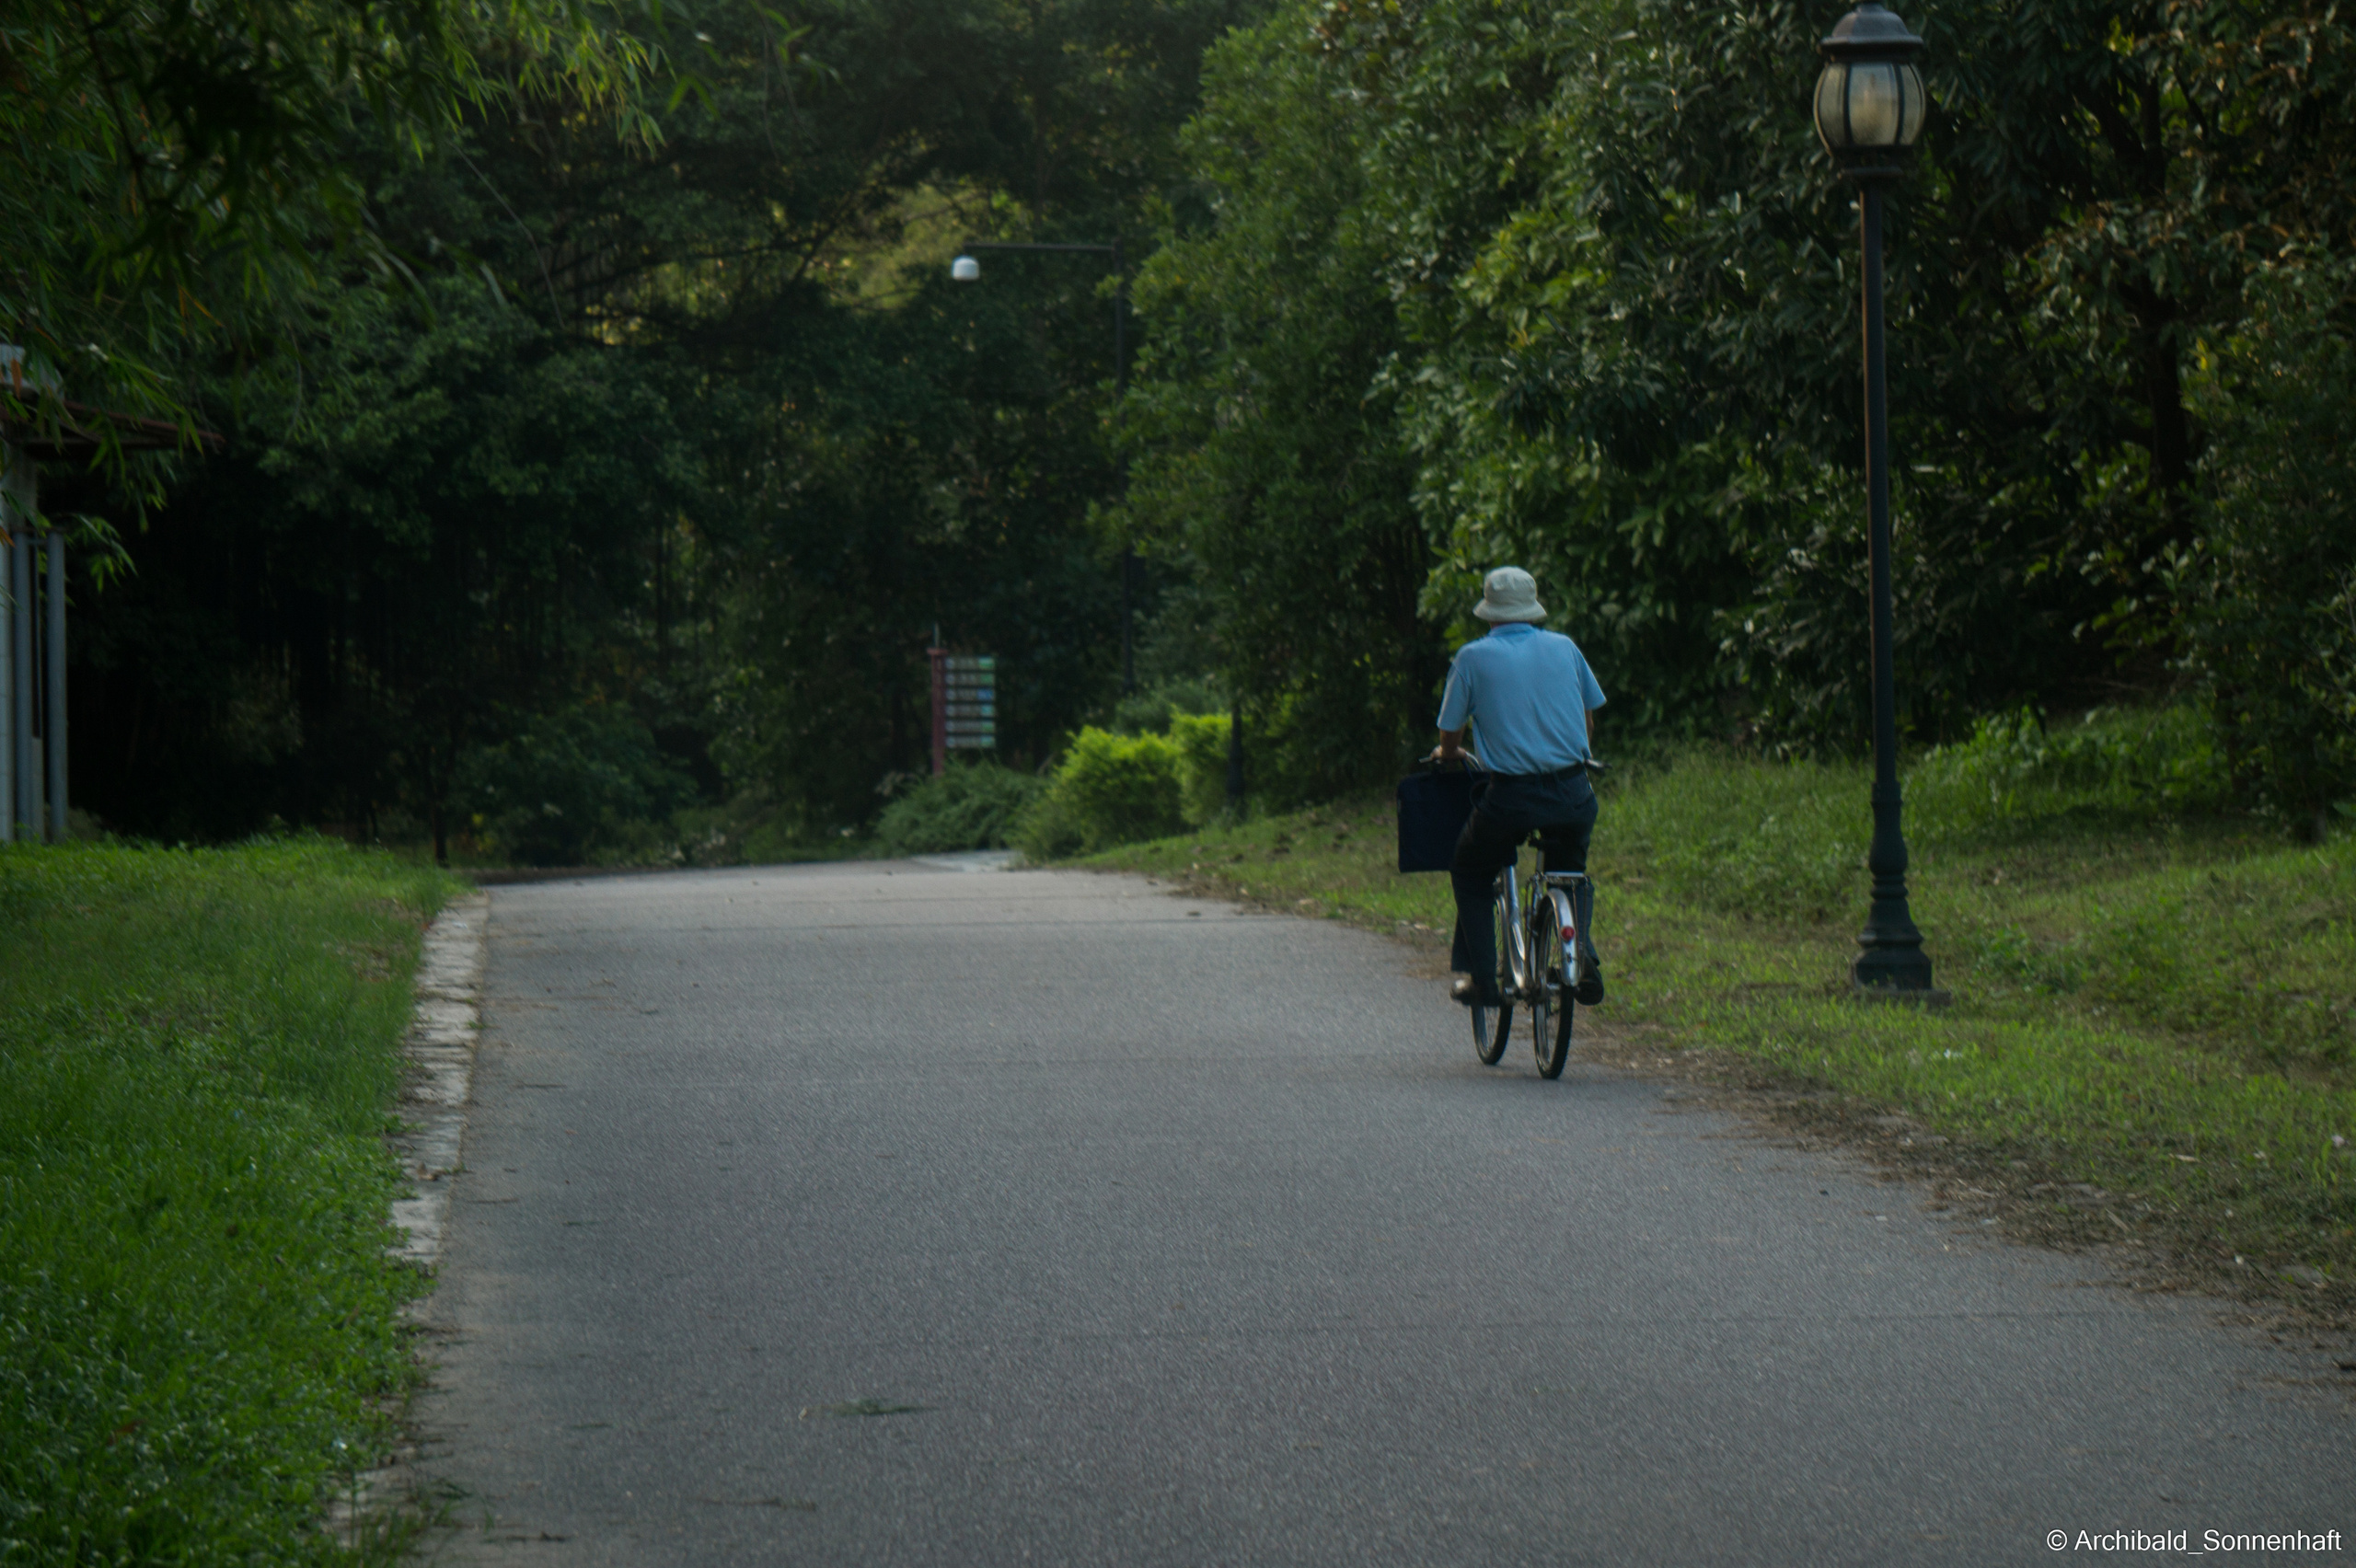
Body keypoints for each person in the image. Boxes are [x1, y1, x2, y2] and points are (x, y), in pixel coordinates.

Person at [1431, 565, 1606, 1009]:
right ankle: (1579, 952)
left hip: (1510, 798)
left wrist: (1448, 755)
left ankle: (1483, 981)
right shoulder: (1565, 647)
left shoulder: (1472, 657)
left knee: (1470, 870)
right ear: (1532, 609)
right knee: (1569, 872)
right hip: (1574, 791)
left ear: (1489, 613)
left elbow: (1449, 734)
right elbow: (1587, 720)